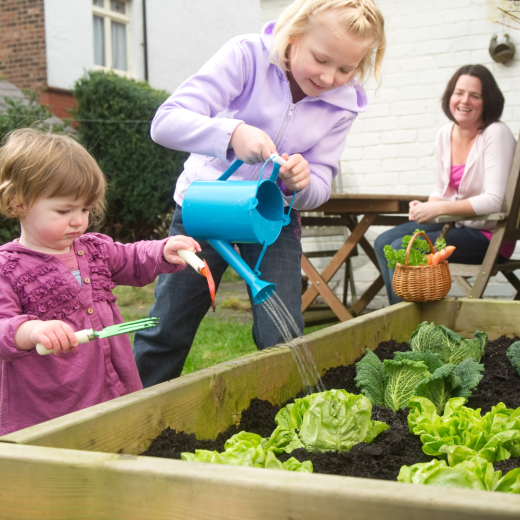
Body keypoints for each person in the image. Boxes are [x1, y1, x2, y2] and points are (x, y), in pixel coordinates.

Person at [133, 0, 386, 387]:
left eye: (346, 68)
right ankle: (129, 417)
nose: (330, 77)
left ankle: (288, 423)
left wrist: (298, 183)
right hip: (206, 210)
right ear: (294, 33)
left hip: (273, 219)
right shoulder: (247, 56)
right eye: (320, 59)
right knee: (168, 326)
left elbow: (319, 185)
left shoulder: (343, 104)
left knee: (282, 335)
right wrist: (231, 134)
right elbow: (165, 123)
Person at [0, 128, 201, 435]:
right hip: (49, 407)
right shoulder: (7, 267)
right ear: (18, 202)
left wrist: (163, 248)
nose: (79, 220)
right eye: (64, 210)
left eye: (85, 209)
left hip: (111, 386)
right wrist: (33, 330)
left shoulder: (93, 248)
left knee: (117, 441)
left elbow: (131, 258)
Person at [374, 64, 517, 305]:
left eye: (475, 95)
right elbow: (441, 191)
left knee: (403, 248)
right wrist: (427, 207)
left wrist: (439, 209)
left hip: (490, 235)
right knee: (382, 243)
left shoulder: (496, 133)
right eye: (459, 93)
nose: (465, 100)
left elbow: (494, 200)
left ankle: (410, 330)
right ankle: (399, 320)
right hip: (456, 226)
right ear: (450, 96)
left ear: (488, 100)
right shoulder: (444, 134)